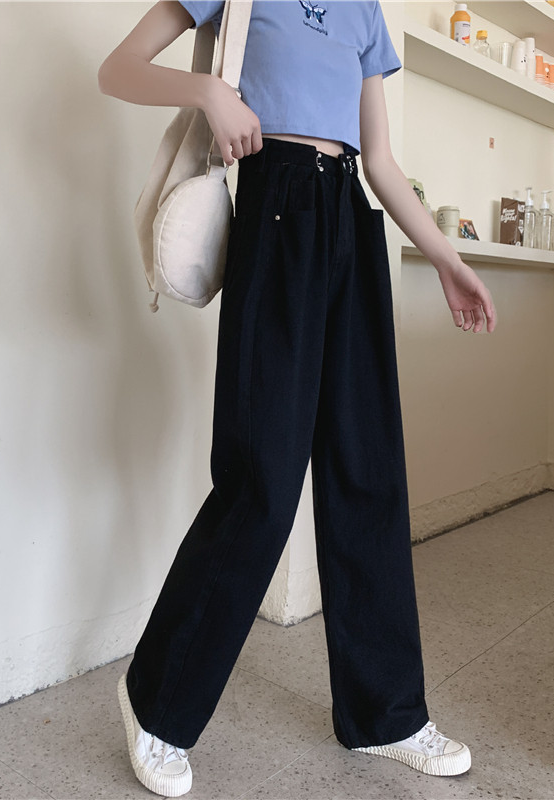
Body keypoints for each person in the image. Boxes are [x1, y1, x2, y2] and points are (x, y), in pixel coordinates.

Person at [98, 1, 497, 795]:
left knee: (367, 470)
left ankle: (385, 715)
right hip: (275, 210)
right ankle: (157, 705)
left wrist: (447, 259)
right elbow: (117, 70)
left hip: (351, 220)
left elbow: (381, 162)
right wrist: (209, 94)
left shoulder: (365, 13)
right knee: (261, 480)